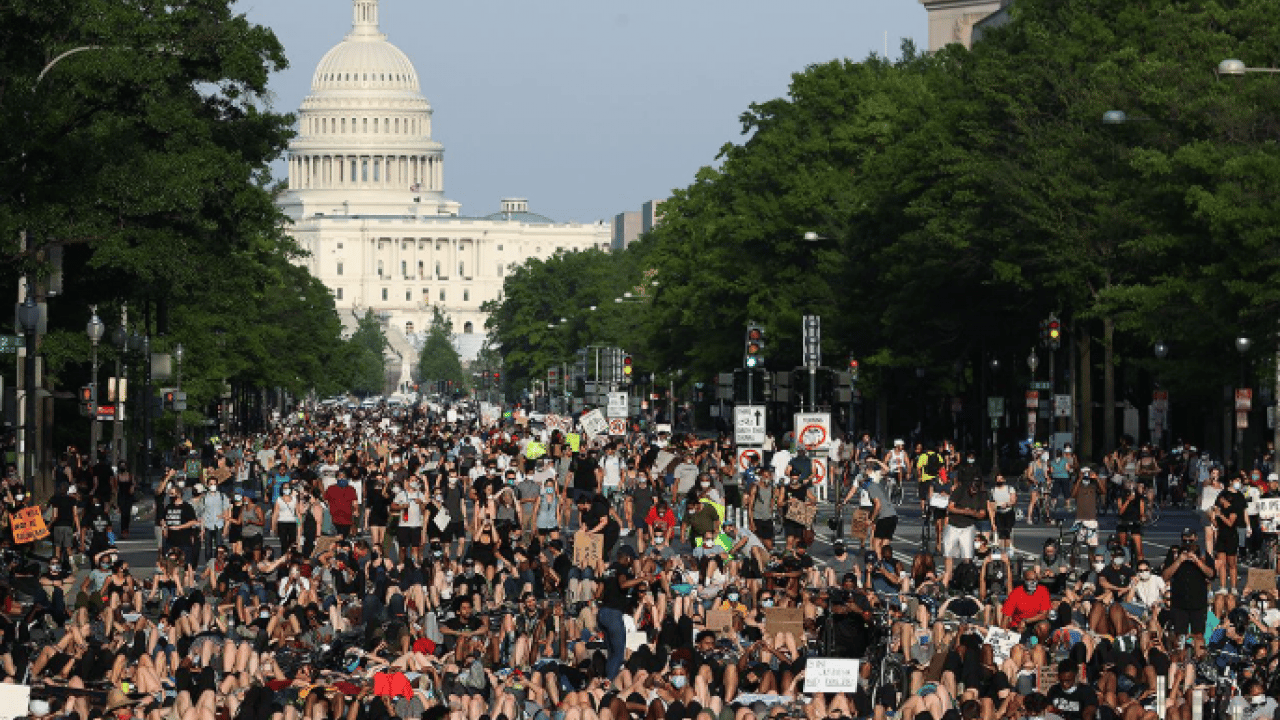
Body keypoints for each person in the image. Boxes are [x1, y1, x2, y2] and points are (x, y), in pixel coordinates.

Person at [1162, 527, 1215, 652]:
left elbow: (1211, 574)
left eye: (1190, 540)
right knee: (1179, 637)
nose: (1187, 543)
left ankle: (1199, 660)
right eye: (1184, 540)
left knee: (1199, 636)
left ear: (1195, 538)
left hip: (1198, 603)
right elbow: (1165, 575)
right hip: (1179, 604)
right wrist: (1179, 561)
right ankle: (1179, 662)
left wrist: (1197, 562)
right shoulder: (1174, 553)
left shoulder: (1202, 554)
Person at [943, 476, 989, 587]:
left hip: (968, 526)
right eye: (973, 488)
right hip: (953, 525)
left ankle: (966, 580)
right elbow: (950, 507)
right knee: (949, 555)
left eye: (976, 489)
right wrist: (964, 511)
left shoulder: (982, 495)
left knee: (967, 556)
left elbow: (982, 513)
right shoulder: (960, 490)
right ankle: (947, 579)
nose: (974, 491)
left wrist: (973, 513)